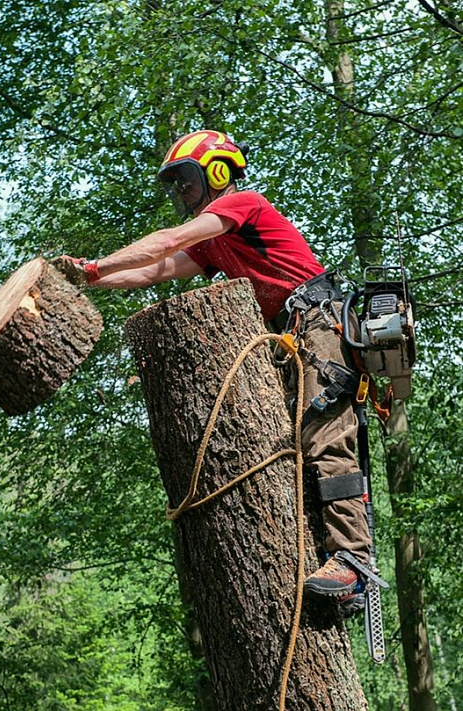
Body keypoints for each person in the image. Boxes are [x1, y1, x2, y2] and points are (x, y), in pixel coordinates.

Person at [58, 130, 371, 608]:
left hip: (319, 323)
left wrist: (96, 267)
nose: (181, 193)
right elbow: (152, 270)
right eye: (175, 185)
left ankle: (351, 560)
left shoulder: (244, 204)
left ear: (218, 172)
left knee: (324, 435)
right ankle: (320, 547)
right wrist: (83, 283)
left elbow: (169, 240)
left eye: (185, 180)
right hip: (288, 338)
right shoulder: (214, 243)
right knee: (286, 445)